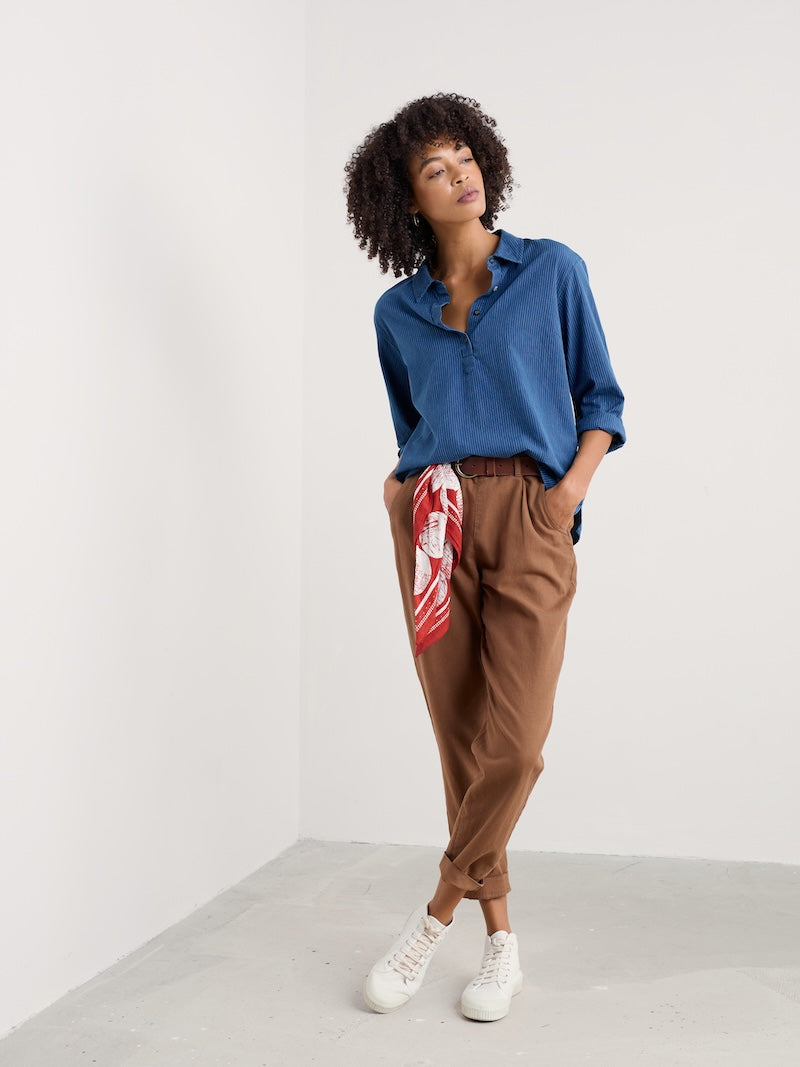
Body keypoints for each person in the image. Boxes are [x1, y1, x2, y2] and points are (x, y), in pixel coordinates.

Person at [344, 92, 625, 1023]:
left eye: (464, 156)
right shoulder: (397, 312)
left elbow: (601, 398)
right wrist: (398, 493)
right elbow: (408, 425)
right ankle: (500, 942)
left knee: (519, 743)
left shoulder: (551, 272)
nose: (459, 173)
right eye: (434, 168)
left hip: (532, 511)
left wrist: (567, 494)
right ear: (407, 200)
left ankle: (432, 918)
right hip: (432, 520)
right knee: (461, 737)